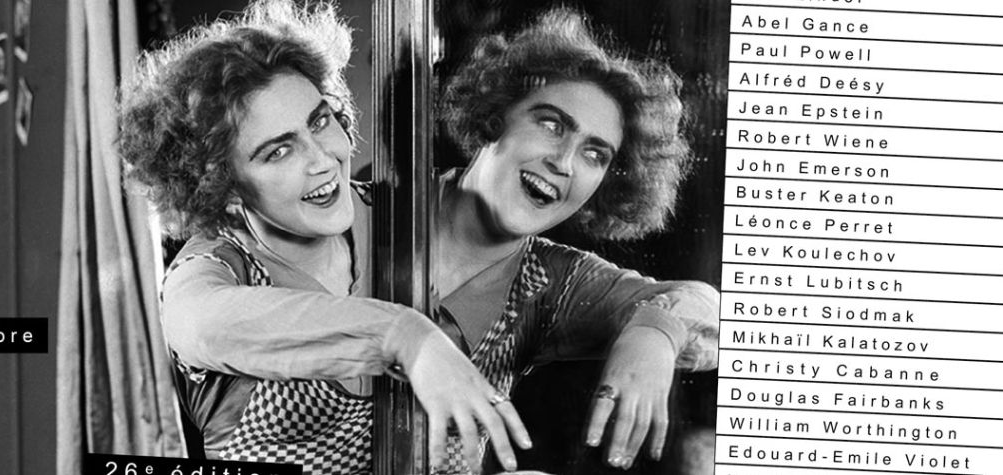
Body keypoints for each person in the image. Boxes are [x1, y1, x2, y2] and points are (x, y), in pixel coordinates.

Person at [117, 1, 530, 474]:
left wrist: (617, 332)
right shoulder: (211, 268)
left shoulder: (402, 215)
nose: (322, 159)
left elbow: (559, 282)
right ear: (225, 189)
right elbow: (201, 325)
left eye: (318, 121)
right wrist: (404, 335)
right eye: (278, 152)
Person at [432, 8, 719, 473]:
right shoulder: (367, 211)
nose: (564, 162)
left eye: (594, 154)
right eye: (551, 125)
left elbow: (710, 310)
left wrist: (655, 333)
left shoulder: (556, 282)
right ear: (495, 117)